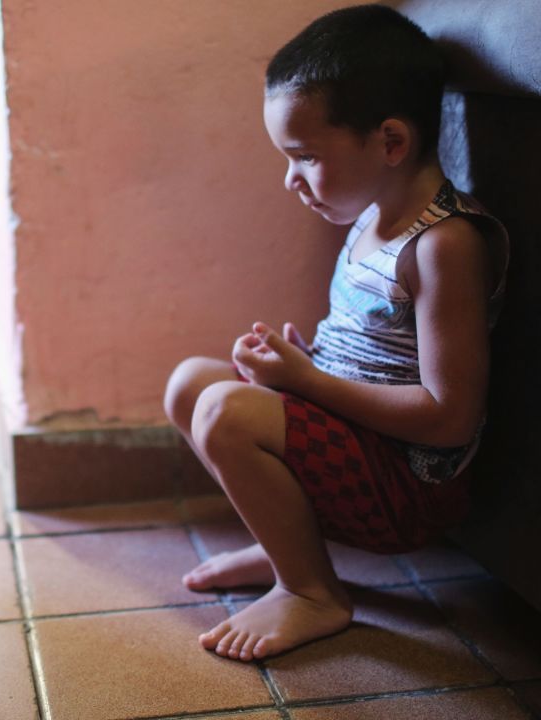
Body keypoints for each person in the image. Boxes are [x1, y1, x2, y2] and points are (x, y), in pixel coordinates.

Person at [164, 4, 509, 662]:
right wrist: (301, 363)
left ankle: (313, 591)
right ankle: (281, 543)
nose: (291, 180)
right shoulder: (374, 216)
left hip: (405, 488)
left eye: (306, 157)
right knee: (191, 384)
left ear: (390, 143)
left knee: (224, 411)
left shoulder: (445, 245)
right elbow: (372, 354)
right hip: (358, 448)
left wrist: (308, 382)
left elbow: (449, 418)